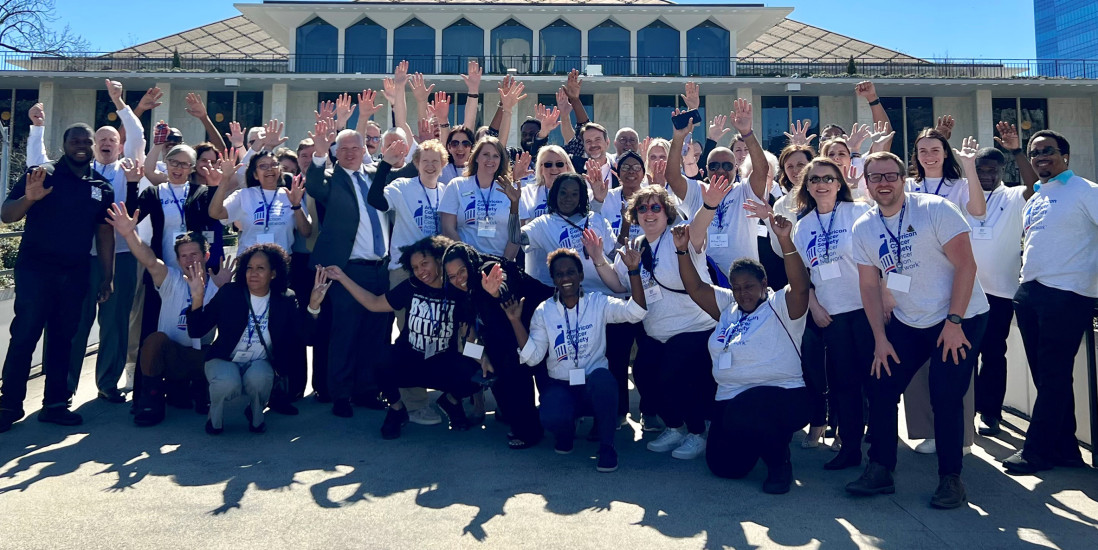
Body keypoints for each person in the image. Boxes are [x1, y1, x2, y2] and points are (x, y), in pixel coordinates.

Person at [845, 151, 989, 509]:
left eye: (890, 175)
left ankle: (951, 479)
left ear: (903, 178)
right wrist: (880, 339)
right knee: (880, 385)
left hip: (960, 316)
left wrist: (954, 322)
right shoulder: (863, 227)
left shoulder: (934, 209)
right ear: (866, 183)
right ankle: (880, 469)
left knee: (945, 393)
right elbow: (868, 287)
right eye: (875, 177)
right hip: (911, 320)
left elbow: (967, 266)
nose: (884, 183)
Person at [26, 82, 148, 404]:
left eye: (113, 139)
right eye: (102, 140)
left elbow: (136, 134)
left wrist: (120, 102)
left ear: (120, 146)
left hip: (121, 256)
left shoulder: (128, 169)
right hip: (81, 259)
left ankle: (108, 383)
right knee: (74, 323)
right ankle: (62, 389)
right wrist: (37, 128)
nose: (107, 143)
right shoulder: (79, 172)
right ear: (93, 146)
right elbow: (37, 166)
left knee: (114, 324)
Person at [675, 207, 811, 494]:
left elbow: (800, 287)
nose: (742, 293)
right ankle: (762, 441)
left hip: (783, 394)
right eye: (736, 288)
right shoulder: (729, 307)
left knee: (746, 410)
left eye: (749, 286)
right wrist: (682, 251)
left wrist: (785, 240)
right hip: (731, 399)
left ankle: (779, 463)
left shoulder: (780, 306)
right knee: (724, 467)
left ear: (764, 284)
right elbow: (695, 287)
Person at [0, 124, 115, 432]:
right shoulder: (42, 174)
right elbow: (7, 215)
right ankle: (9, 405)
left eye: (85, 141)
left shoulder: (101, 186)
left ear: (92, 146)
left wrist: (107, 276)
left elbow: (104, 233)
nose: (81, 145)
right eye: (74, 140)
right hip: (36, 272)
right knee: (25, 336)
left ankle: (54, 405)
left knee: (64, 338)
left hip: (75, 273)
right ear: (63, 143)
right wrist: (30, 198)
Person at [588, 186, 715, 460]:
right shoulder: (635, 246)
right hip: (657, 331)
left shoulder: (680, 235)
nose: (649, 213)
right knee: (645, 374)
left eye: (656, 207)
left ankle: (696, 433)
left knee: (674, 373)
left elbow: (700, 227)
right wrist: (599, 259)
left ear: (667, 212)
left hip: (694, 326)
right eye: (642, 208)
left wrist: (710, 205)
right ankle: (675, 426)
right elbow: (618, 283)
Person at [1003, 130, 1098, 474]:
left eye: (1048, 150)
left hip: (1068, 293)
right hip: (1031, 292)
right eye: (1034, 152)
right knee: (1048, 377)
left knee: (1054, 374)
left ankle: (1036, 452)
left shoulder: (1086, 191)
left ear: (1065, 155)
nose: (1041, 156)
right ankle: (1066, 449)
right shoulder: (1037, 197)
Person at [324, 236, 484, 438]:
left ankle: (450, 401)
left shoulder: (457, 292)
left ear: (438, 260)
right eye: (415, 267)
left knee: (479, 372)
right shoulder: (411, 287)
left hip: (442, 363)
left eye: (424, 263)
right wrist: (342, 277)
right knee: (379, 357)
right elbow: (374, 303)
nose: (420, 271)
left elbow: (468, 340)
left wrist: (484, 359)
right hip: (409, 360)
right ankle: (397, 409)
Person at [505, 246, 647, 472]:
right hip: (561, 386)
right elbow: (533, 358)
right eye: (559, 274)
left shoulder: (598, 303)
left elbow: (636, 312)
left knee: (605, 381)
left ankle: (607, 446)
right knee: (550, 413)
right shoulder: (544, 311)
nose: (566, 278)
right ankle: (565, 433)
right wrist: (515, 321)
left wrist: (633, 271)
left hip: (593, 385)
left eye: (571, 272)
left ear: (580, 276)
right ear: (553, 280)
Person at [104, 203, 233, 425]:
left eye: (195, 254)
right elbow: (149, 259)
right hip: (171, 356)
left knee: (216, 355)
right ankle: (151, 403)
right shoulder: (170, 279)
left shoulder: (217, 285)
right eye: (183, 256)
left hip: (200, 358)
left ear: (206, 255)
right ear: (177, 259)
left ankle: (199, 392)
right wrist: (129, 233)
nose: (189, 260)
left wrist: (223, 291)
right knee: (154, 341)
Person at [185, 243, 325, 434]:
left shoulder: (285, 299)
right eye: (249, 268)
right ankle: (214, 419)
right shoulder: (229, 293)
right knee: (227, 382)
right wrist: (197, 297)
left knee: (260, 377)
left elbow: (306, 337)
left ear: (273, 274)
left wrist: (314, 305)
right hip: (224, 358)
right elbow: (197, 330)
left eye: (261, 268)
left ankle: (256, 415)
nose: (253, 273)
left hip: (260, 361)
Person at [791, 158, 873, 469]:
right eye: (814, 179)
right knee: (845, 384)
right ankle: (850, 450)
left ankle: (880, 451)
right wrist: (814, 305)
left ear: (840, 183)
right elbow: (801, 275)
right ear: (807, 187)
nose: (821, 183)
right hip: (832, 315)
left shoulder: (859, 212)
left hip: (867, 310)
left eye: (828, 177)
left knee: (875, 384)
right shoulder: (803, 225)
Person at [967, 128, 1037, 438]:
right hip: (965, 292)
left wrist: (1017, 151)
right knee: (963, 356)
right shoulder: (964, 194)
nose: (985, 176)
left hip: (1000, 293)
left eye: (991, 171)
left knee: (993, 354)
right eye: (980, 170)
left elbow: (1036, 187)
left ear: (1001, 171)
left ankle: (990, 413)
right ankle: (964, 410)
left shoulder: (1013, 195)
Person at [376, 139, 450, 426]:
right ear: (415, 163)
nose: (430, 165)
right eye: (424, 160)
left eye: (436, 161)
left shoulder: (445, 192)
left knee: (434, 333)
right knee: (409, 333)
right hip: (405, 272)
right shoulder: (402, 187)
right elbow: (376, 201)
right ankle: (414, 404)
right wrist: (384, 163)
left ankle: (434, 393)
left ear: (443, 167)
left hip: (437, 274)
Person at [670, 98, 767, 278]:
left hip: (746, 281)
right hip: (706, 282)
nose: (721, 170)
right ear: (706, 169)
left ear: (736, 168)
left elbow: (762, 170)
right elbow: (673, 178)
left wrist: (747, 133)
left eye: (727, 166)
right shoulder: (697, 190)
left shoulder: (745, 190)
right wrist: (678, 139)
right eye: (714, 166)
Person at [209, 150, 312, 260]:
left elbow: (306, 232)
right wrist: (225, 178)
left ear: (280, 171)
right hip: (248, 261)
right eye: (263, 166)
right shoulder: (244, 195)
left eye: (274, 164)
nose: (269, 169)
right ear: (255, 175)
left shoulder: (290, 195)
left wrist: (296, 205)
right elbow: (215, 213)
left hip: (280, 262)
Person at [440, 137, 517, 258]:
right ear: (476, 157)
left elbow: (516, 234)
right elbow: (448, 228)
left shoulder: (510, 190)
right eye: (485, 154)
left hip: (500, 262)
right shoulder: (457, 185)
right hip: (466, 262)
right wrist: (467, 259)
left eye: (496, 156)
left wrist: (504, 264)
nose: (490, 160)